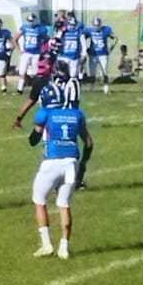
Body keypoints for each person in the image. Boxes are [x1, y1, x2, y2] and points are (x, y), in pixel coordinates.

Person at [29, 100, 92, 260]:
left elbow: (33, 140)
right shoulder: (77, 114)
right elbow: (89, 143)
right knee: (64, 203)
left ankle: (46, 244)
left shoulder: (45, 113)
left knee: (39, 200)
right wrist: (83, 163)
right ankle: (64, 247)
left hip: (52, 162)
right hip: (71, 162)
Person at [16, 12, 49, 87]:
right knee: (22, 70)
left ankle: (35, 86)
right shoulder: (24, 27)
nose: (30, 23)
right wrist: (20, 49)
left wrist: (43, 50)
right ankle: (20, 88)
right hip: (26, 52)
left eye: (32, 21)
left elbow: (46, 39)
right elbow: (15, 38)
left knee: (35, 72)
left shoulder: (40, 28)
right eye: (29, 21)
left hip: (36, 53)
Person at [85, 16, 114, 92]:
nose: (96, 27)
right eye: (95, 25)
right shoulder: (89, 30)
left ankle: (106, 88)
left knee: (104, 71)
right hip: (93, 54)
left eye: (98, 25)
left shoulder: (106, 29)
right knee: (92, 72)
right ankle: (92, 88)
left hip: (103, 54)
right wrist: (86, 49)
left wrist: (111, 48)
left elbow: (114, 38)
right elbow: (82, 38)